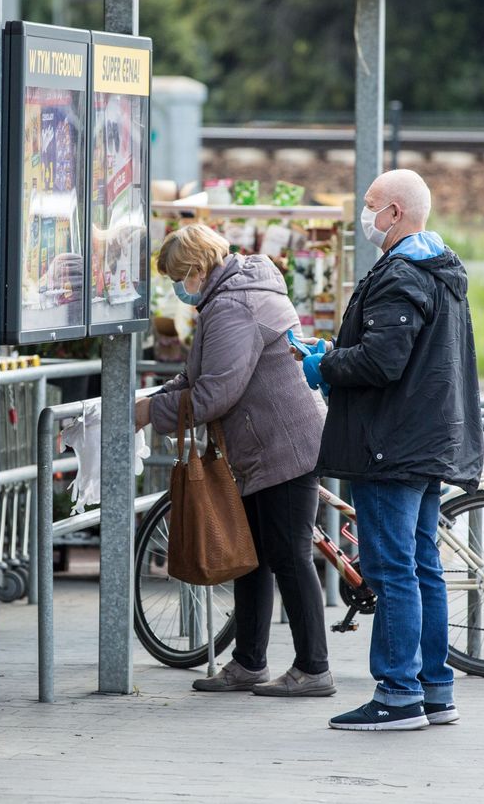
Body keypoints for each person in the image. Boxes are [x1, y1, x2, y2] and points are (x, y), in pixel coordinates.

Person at [294, 169, 483, 731]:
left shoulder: (401, 275)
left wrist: (323, 362)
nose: (364, 214)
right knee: (422, 566)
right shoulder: (442, 271)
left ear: (395, 213)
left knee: (393, 568)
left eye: (371, 205)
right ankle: (435, 690)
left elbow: (383, 361)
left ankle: (398, 693)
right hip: (425, 441)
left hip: (390, 446)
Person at [135, 223, 334, 698]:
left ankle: (314, 669)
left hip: (281, 445)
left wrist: (148, 412)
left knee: (287, 556)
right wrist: (155, 400)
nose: (178, 289)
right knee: (252, 558)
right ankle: (249, 662)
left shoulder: (231, 306)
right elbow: (198, 377)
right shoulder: (238, 290)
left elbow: (215, 393)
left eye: (179, 278)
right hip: (264, 444)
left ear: (199, 268)